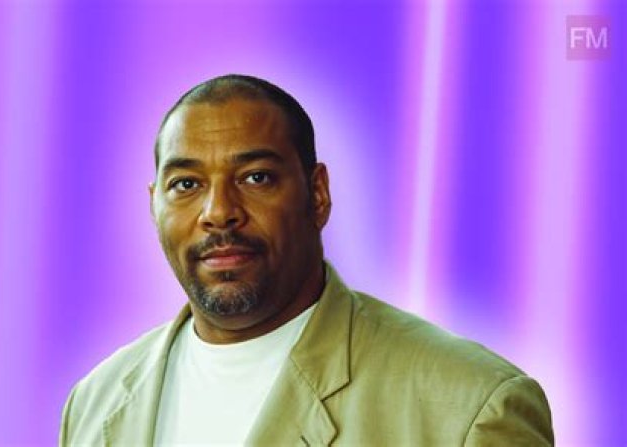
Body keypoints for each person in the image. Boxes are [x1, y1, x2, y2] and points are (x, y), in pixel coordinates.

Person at [59, 74, 554, 446]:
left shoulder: (471, 407)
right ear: (154, 206)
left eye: (255, 177)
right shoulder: (94, 402)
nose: (218, 212)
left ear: (317, 195)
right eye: (186, 184)